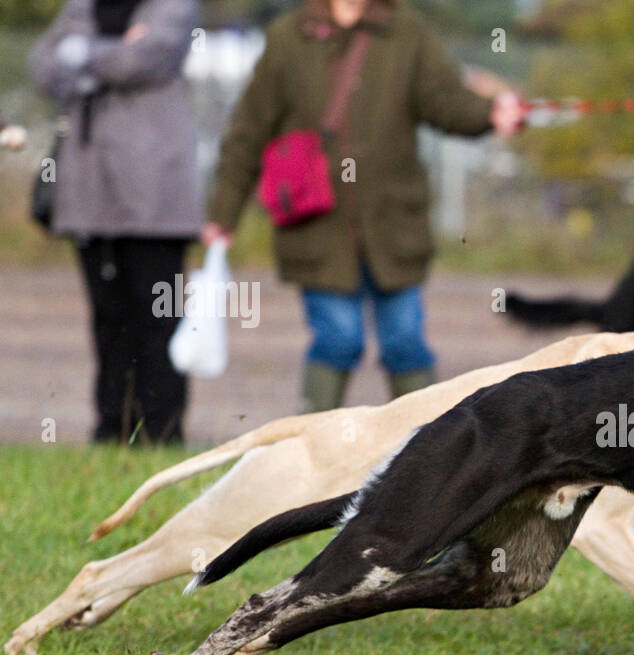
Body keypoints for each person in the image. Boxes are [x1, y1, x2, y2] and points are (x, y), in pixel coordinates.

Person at [203, 0, 525, 412]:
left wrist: (489, 113)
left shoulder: (407, 32)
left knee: (405, 343)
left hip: (394, 227)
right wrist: (223, 213)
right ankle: (314, 455)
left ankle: (424, 457)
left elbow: (445, 102)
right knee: (338, 339)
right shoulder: (289, 37)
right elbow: (249, 130)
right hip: (316, 226)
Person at [29, 0, 201, 444]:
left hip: (156, 200)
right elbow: (43, 65)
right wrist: (105, 53)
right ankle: (111, 428)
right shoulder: (83, 5)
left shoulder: (172, 5)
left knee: (158, 316)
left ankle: (161, 430)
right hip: (90, 195)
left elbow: (147, 60)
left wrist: (81, 54)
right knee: (108, 317)